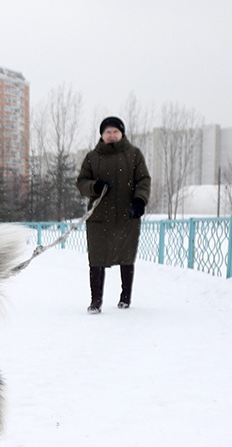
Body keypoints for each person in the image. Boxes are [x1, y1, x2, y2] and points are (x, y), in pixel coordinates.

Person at [76, 116, 151, 314]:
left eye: (115, 132)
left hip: (127, 215)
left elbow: (143, 179)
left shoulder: (134, 155)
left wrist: (139, 200)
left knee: (126, 255)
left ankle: (125, 297)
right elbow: (82, 183)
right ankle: (96, 301)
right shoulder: (92, 157)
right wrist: (95, 186)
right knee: (97, 258)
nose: (111, 135)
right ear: (102, 134)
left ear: (122, 133)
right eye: (107, 132)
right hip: (100, 217)